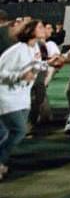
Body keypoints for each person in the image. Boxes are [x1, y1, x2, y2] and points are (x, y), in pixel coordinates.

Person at [0, 19, 50, 179]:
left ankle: (3, 163)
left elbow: (34, 65)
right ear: (30, 31)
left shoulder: (34, 47)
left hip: (22, 97)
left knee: (8, 132)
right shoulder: (16, 51)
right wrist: (19, 75)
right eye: (40, 27)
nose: (44, 29)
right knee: (19, 130)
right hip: (7, 97)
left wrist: (49, 63)